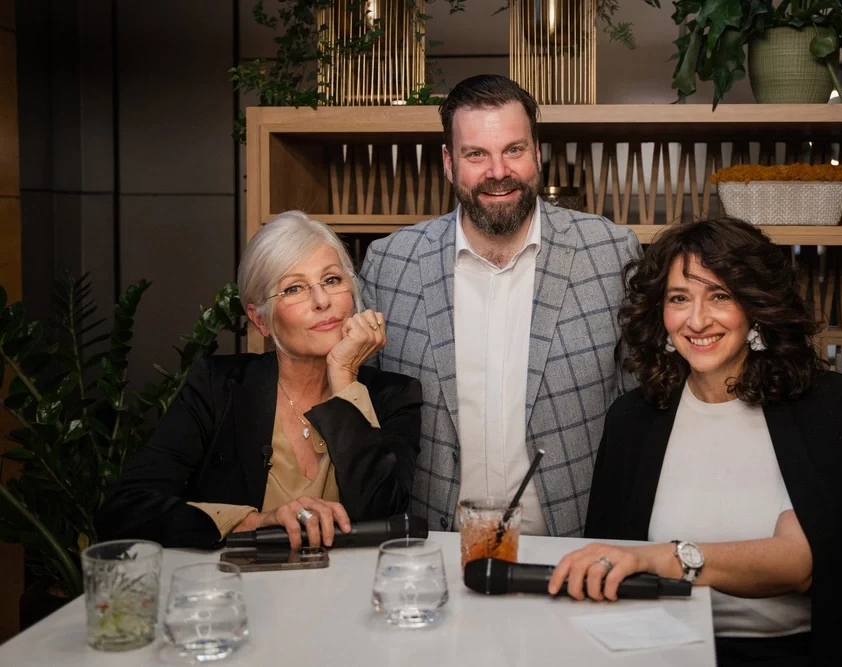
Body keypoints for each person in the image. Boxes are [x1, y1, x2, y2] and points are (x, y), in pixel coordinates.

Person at [548, 218, 842, 665]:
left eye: (719, 295)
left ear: (756, 306)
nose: (697, 320)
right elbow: (609, 568)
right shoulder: (633, 419)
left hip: (788, 655)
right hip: (658, 651)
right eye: (679, 299)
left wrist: (666, 559)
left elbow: (798, 562)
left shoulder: (828, 405)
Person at [359, 74, 639, 537]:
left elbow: (643, 403)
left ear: (537, 153)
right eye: (476, 154)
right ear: (449, 163)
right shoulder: (390, 263)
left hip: (576, 548)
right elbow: (365, 417)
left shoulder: (610, 252)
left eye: (514, 150)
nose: (498, 171)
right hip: (436, 545)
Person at [96, 211, 423, 550]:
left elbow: (382, 515)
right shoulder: (217, 387)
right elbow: (123, 510)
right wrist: (256, 522)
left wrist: (343, 375)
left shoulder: (393, 396)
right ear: (260, 319)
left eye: (331, 280)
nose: (322, 301)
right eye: (293, 288)